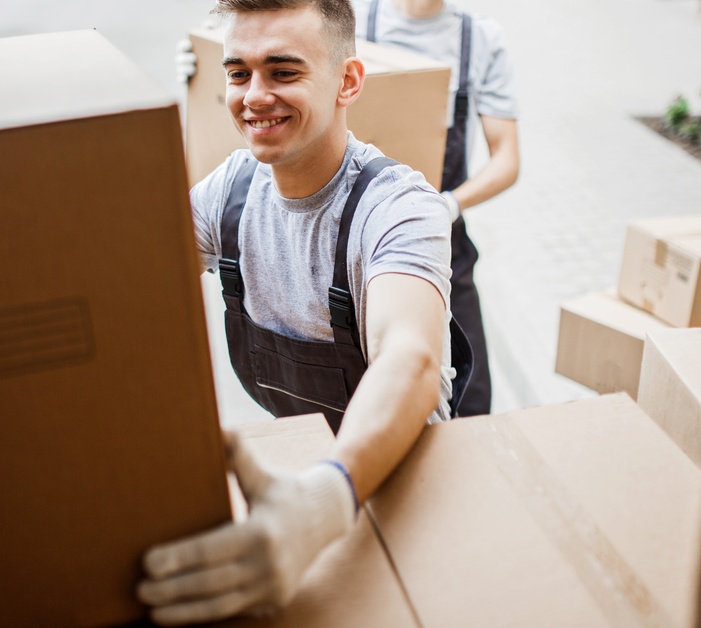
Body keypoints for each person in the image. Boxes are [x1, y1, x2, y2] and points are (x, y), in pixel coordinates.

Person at [138, 0, 469, 624]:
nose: (254, 96)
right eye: (238, 74)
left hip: (399, 482)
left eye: (283, 72)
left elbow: (411, 359)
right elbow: (133, 287)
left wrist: (321, 503)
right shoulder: (230, 191)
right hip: (299, 469)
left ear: (347, 82)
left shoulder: (398, 207)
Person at [357, 0, 519, 416]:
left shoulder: (478, 39)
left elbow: (507, 159)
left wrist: (447, 205)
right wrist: (208, 73)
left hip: (444, 242)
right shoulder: (353, 22)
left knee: (471, 400)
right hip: (356, 239)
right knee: (363, 392)